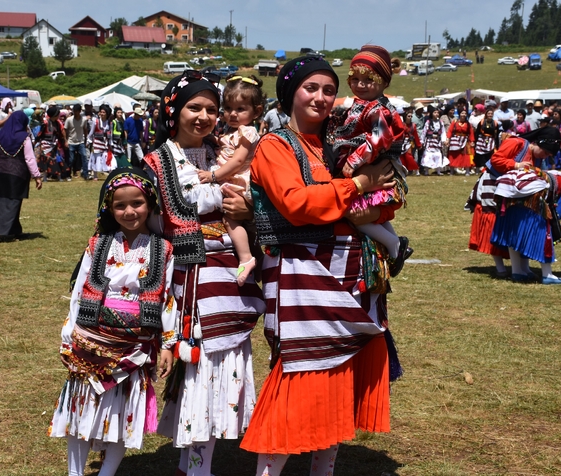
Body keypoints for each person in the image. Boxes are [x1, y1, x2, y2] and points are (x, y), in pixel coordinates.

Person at [240, 55, 399, 476]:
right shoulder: (276, 145)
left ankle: (322, 471)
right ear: (291, 92)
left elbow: (384, 197)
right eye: (312, 88)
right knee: (301, 377)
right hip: (299, 281)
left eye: (329, 89)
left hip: (350, 276)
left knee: (338, 379)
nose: (322, 97)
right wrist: (359, 185)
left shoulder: (338, 143)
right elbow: (298, 204)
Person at [147, 70, 266, 476]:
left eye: (211, 109)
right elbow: (185, 200)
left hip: (228, 273)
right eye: (193, 107)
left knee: (223, 364)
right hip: (190, 278)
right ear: (173, 109)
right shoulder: (158, 161)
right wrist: (231, 192)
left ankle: (197, 463)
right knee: (200, 367)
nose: (203, 116)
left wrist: (244, 204)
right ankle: (196, 465)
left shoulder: (220, 149)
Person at [49, 168, 177, 476]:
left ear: (151, 204)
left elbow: (167, 298)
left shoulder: (163, 250)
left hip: (134, 348)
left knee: (121, 415)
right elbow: (80, 290)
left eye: (137, 203)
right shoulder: (98, 245)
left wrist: (168, 345)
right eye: (120, 205)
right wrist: (70, 332)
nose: (130, 211)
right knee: (80, 410)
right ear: (109, 208)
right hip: (90, 340)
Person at [330, 45, 413, 276]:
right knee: (367, 213)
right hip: (368, 167)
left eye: (369, 79)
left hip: (372, 166)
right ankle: (395, 243)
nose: (360, 84)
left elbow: (380, 137)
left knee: (355, 213)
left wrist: (354, 161)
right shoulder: (362, 105)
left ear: (384, 82)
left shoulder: (378, 109)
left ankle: (394, 245)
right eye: (355, 79)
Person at [196, 75, 264, 285]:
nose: (232, 114)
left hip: (238, 181)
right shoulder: (230, 132)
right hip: (231, 179)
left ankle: (246, 258)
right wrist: (213, 138)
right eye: (228, 108)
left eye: (240, 109)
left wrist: (213, 176)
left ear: (257, 111)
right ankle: (254, 258)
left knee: (231, 219)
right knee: (235, 222)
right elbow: (226, 146)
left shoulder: (248, 132)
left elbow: (238, 160)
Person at [488, 127, 561, 283]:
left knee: (516, 230)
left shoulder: (533, 155)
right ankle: (527, 271)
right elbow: (496, 159)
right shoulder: (516, 142)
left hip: (517, 197)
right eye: (545, 152)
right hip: (507, 193)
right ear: (538, 143)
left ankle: (521, 270)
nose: (544, 156)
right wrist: (516, 165)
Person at [0, 109, 42, 242]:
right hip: (16, 174)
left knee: (0, 202)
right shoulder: (24, 137)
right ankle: (2, 234)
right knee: (12, 203)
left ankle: (14, 230)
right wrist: (37, 176)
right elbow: (29, 159)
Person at [37, 106, 68, 181]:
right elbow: (40, 134)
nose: (58, 116)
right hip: (45, 144)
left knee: (57, 160)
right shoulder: (45, 123)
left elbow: (60, 133)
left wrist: (64, 141)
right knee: (45, 161)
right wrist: (38, 143)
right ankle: (44, 177)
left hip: (54, 144)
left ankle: (59, 177)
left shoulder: (57, 123)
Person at [87, 104, 116, 177]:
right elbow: (91, 133)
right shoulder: (95, 121)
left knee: (110, 158)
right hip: (97, 144)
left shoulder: (110, 123)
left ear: (107, 113)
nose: (102, 114)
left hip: (105, 144)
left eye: (104, 112)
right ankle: (95, 175)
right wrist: (88, 141)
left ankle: (111, 173)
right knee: (95, 159)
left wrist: (111, 144)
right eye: (101, 112)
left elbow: (111, 135)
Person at [66, 104, 91, 180]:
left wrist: (86, 140)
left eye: (77, 111)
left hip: (81, 142)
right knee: (71, 159)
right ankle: (68, 174)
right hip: (71, 141)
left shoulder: (83, 120)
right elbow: (65, 130)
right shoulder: (69, 120)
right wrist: (65, 140)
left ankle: (86, 174)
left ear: (80, 111)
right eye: (74, 111)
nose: (75, 113)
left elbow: (85, 130)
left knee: (84, 157)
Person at [420, 105, 448, 174]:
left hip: (437, 141)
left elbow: (443, 131)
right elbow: (424, 132)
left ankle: (438, 171)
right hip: (429, 141)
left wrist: (444, 140)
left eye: (437, 112)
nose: (436, 114)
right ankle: (426, 171)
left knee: (438, 154)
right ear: (432, 113)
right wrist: (422, 141)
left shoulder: (440, 122)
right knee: (427, 155)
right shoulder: (428, 122)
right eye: (435, 112)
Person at [447, 109, 475, 175]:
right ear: (459, 114)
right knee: (453, 155)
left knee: (466, 155)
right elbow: (450, 131)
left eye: (465, 113)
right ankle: (452, 171)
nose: (464, 115)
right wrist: (448, 139)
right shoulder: (454, 122)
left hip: (465, 140)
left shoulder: (468, 124)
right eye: (462, 113)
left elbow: (471, 133)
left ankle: (467, 171)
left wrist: (472, 141)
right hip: (455, 140)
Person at [400, 108, 421, 174]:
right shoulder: (401, 125)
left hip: (410, 143)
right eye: (408, 116)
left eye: (411, 116)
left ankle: (415, 169)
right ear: (405, 117)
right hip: (402, 142)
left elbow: (416, 136)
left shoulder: (413, 125)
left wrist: (418, 145)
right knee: (402, 156)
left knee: (409, 156)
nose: (410, 117)